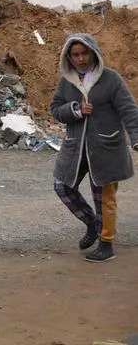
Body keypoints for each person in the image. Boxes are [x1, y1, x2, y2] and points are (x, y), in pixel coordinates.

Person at [50, 33, 138, 263]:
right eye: (75, 54)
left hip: (106, 148)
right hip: (76, 148)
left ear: (93, 52)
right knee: (62, 186)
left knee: (105, 199)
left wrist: (136, 136)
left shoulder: (111, 79)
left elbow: (128, 109)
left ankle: (106, 244)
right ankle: (91, 223)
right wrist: (74, 109)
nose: (80, 59)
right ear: (68, 57)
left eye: (84, 53)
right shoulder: (67, 81)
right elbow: (56, 109)